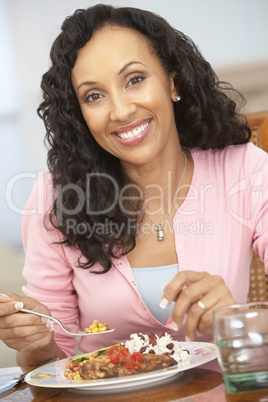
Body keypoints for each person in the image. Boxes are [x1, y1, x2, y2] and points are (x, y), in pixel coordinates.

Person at [0, 4, 267, 368]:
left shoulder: (244, 170)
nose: (121, 111)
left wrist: (236, 319)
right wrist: (35, 338)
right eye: (94, 96)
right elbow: (44, 365)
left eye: (135, 79)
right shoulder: (56, 198)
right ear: (80, 115)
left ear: (172, 81)